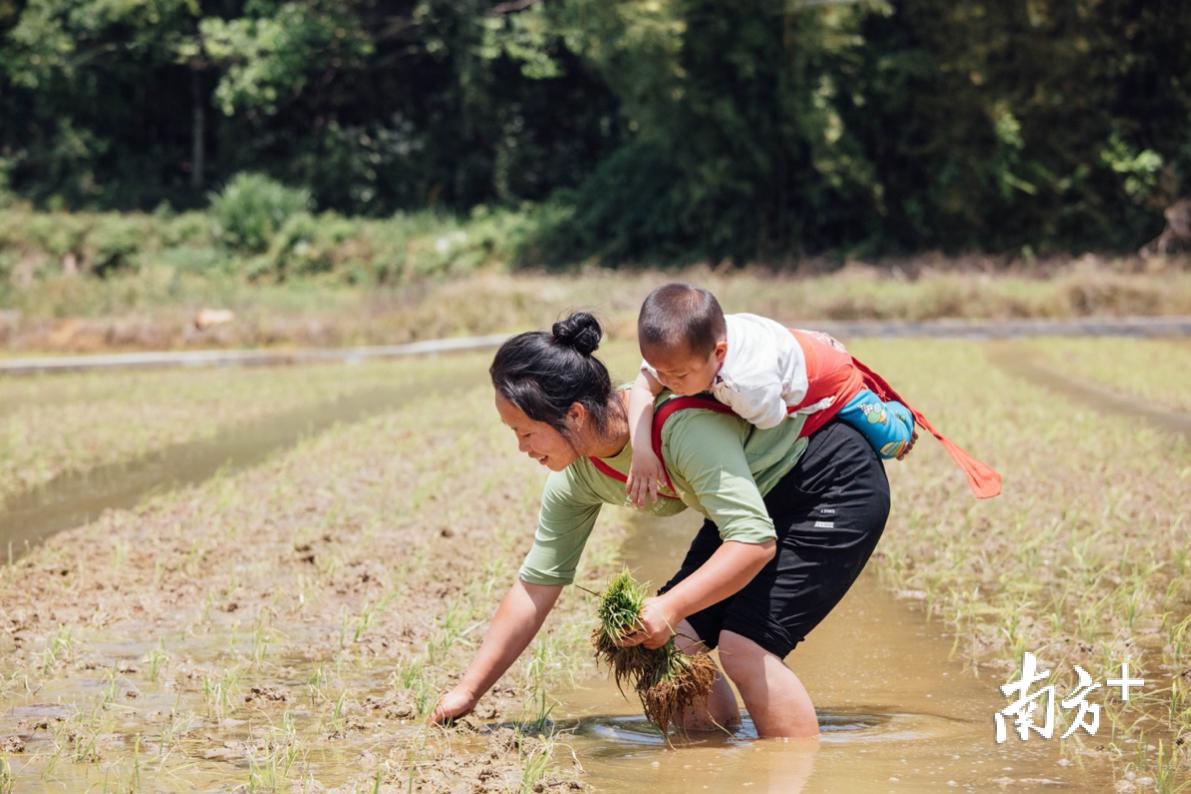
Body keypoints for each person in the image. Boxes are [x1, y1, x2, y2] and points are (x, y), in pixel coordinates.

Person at [430, 311, 892, 738]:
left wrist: (667, 606)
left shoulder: (680, 427)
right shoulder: (578, 476)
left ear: (574, 414)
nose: (521, 448)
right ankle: (714, 759)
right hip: (757, 497)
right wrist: (468, 692)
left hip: (829, 482)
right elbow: (535, 587)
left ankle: (797, 776)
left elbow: (752, 543)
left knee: (744, 648)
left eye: (525, 431)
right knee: (666, 642)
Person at [625, 283, 916, 508]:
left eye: (679, 376)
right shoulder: (681, 347)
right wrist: (642, 451)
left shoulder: (747, 385)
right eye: (661, 372)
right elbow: (642, 388)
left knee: (892, 443)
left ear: (719, 353)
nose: (667, 382)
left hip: (829, 376)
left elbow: (772, 419)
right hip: (786, 343)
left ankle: (902, 417)